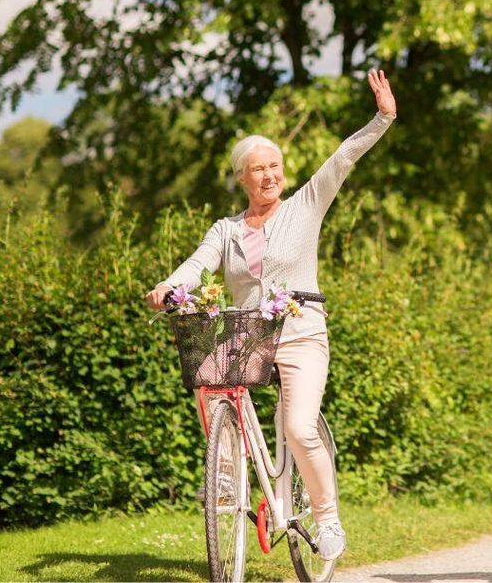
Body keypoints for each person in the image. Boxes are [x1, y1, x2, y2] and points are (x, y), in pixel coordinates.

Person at [145, 69, 397, 560]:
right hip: (248, 337)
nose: (269, 176)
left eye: (275, 166)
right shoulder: (227, 229)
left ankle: (328, 521)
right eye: (258, 169)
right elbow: (197, 265)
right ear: (242, 177)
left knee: (299, 427)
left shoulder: (306, 204)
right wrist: (169, 286)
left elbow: (343, 157)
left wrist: (382, 118)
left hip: (302, 334)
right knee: (208, 378)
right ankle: (226, 473)